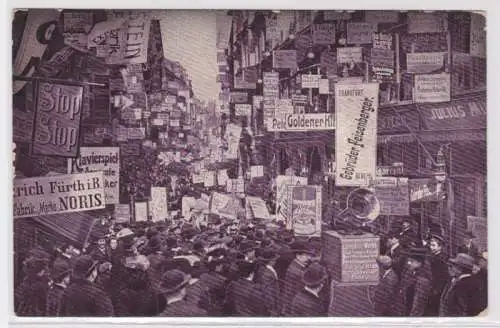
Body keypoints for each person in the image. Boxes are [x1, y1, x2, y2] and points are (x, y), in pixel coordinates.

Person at [395, 247, 432, 317]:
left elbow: (418, 305)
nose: (408, 263)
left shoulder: (422, 280)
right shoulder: (410, 272)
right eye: (408, 260)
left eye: (411, 261)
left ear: (419, 263)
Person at [280, 241, 315, 316]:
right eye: (307, 255)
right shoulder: (298, 272)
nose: (309, 258)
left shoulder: (295, 265)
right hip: (294, 306)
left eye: (310, 255)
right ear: (298, 256)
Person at [425, 234, 450, 316]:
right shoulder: (433, 256)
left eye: (434, 245)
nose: (431, 247)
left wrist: (435, 291)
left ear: (440, 247)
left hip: (436, 291)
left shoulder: (441, 259)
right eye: (430, 245)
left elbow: (441, 278)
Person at [254, 248, 280, 316]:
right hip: (268, 305)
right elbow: (268, 292)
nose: (276, 261)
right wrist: (272, 310)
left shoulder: (263, 268)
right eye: (274, 259)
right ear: (271, 260)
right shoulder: (267, 274)